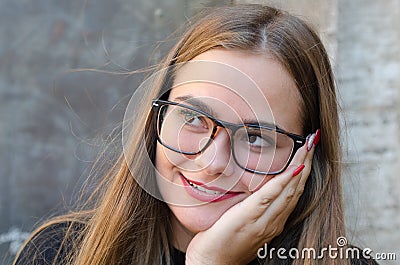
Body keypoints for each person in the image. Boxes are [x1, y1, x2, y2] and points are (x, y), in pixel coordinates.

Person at [14, 4, 377, 265]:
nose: (212, 162)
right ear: (157, 117)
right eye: (194, 117)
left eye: (256, 137)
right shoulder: (59, 254)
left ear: (307, 154)